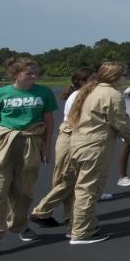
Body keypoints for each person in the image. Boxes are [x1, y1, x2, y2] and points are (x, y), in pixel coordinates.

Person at [0, 57, 57, 261]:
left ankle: (20, 224)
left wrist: (47, 148)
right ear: (16, 74)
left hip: (31, 143)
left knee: (23, 191)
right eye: (29, 73)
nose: (34, 76)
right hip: (4, 144)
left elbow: (49, 120)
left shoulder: (43, 92)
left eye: (36, 72)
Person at [63, 62, 130, 245]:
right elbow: (120, 121)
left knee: (82, 187)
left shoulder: (90, 89)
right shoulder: (112, 94)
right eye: (123, 75)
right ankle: (81, 232)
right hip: (95, 145)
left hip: (78, 142)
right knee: (89, 189)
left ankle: (79, 225)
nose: (125, 78)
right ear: (115, 77)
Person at [30, 66, 95, 229]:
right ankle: (42, 211)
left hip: (72, 135)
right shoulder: (79, 96)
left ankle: (69, 216)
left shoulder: (83, 94)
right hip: (71, 136)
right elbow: (78, 119)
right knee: (67, 179)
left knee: (68, 179)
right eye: (93, 79)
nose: (97, 81)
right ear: (82, 82)